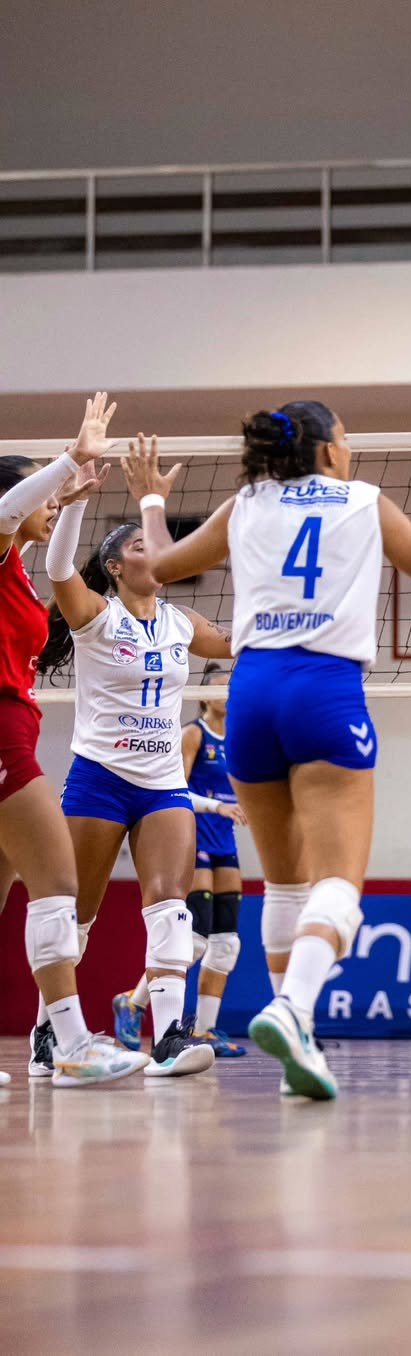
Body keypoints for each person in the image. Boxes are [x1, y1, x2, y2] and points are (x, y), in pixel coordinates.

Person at [121, 402, 411, 1100]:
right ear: (328, 451)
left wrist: (152, 498)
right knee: (338, 884)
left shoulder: (247, 503)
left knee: (287, 883)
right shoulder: (363, 501)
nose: (352, 450)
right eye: (349, 438)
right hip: (324, 688)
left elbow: (162, 569)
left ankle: (293, 1037)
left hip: (251, 690)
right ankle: (293, 1010)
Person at [35, 447, 235, 1079]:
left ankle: (170, 1037)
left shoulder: (182, 623)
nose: (159, 552)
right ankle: (50, 1032)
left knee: (171, 904)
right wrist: (77, 500)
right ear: (117, 567)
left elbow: (241, 645)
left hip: (161, 784)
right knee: (78, 915)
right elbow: (59, 565)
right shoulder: (96, 616)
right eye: (145, 547)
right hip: (98, 778)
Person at [0, 393, 148, 1086]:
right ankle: (70, 1044)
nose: (52, 502)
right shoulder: (0, 545)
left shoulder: (20, 571)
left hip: (14, 732)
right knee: (58, 883)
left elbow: (58, 558)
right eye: (45, 493)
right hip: (3, 740)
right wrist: (70, 459)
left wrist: (75, 491)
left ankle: (67, 1043)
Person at [112, 662, 249, 1057]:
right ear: (206, 696)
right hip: (196, 834)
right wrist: (217, 808)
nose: (228, 696)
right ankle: (133, 1001)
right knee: (195, 939)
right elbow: (175, 790)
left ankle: (205, 1030)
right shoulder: (193, 734)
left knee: (226, 944)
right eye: (221, 690)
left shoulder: (236, 737)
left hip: (224, 841)